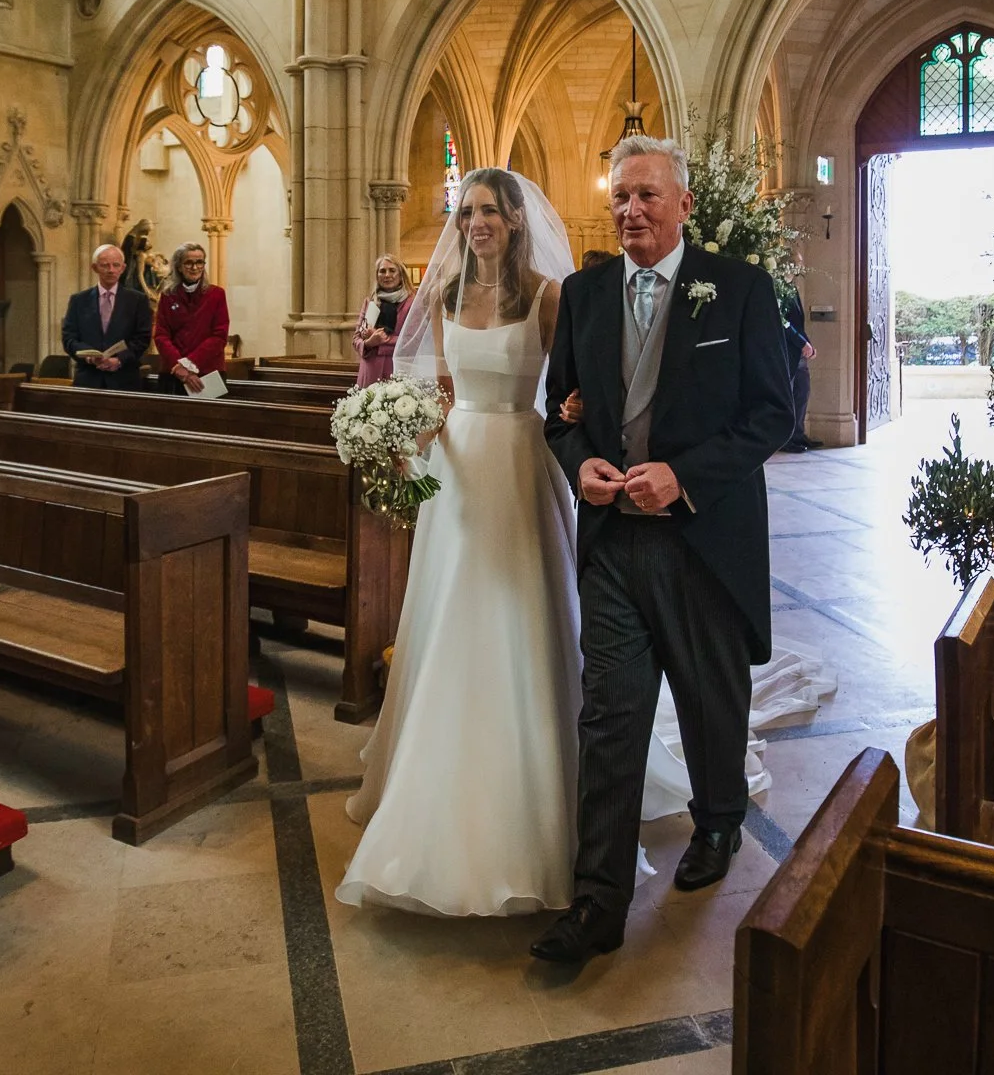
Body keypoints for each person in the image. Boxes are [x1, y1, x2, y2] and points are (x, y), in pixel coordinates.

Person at [534, 135, 797, 962]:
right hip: (612, 542)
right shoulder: (583, 292)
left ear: (684, 205)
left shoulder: (743, 291)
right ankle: (598, 903)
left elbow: (770, 416)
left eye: (647, 195)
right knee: (610, 715)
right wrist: (583, 469)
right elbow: (559, 415)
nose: (630, 210)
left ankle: (717, 824)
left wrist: (680, 476)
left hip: (701, 538)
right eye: (620, 196)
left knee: (710, 697)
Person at [337, 169, 581, 916]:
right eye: (467, 211)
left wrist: (572, 405)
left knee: (520, 617)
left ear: (514, 220)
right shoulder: (439, 298)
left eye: (489, 212)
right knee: (449, 620)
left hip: (518, 460)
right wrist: (404, 438)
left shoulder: (547, 295)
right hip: (457, 467)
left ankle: (531, 792)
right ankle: (430, 777)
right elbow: (438, 393)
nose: (476, 223)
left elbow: (569, 386)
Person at [60, 245, 153, 390]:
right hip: (88, 379)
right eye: (105, 265)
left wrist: (119, 360)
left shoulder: (137, 300)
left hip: (124, 380)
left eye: (116, 265)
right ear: (95, 268)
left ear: (123, 268)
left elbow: (142, 338)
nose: (111, 270)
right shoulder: (79, 300)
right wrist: (88, 355)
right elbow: (69, 338)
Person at [153, 242, 231, 393]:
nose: (195, 268)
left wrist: (189, 364)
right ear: (179, 267)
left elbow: (219, 336)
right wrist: (179, 367)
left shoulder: (216, 294)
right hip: (173, 372)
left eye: (199, 262)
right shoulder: (168, 296)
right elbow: (161, 336)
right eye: (189, 263)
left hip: (207, 371)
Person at [351, 256, 412, 387]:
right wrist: (368, 343)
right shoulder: (371, 301)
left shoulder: (412, 303)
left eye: (392, 270)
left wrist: (381, 340)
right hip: (370, 371)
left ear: (401, 275)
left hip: (396, 370)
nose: (387, 275)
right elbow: (356, 338)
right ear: (377, 275)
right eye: (382, 271)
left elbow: (413, 341)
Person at [778, 286, 819, 451]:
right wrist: (801, 342)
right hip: (788, 350)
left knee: (802, 392)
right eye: (796, 262)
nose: (799, 267)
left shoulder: (792, 288)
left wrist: (808, 344)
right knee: (789, 395)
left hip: (799, 350)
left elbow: (798, 323)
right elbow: (782, 322)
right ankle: (786, 439)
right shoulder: (778, 288)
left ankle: (798, 435)